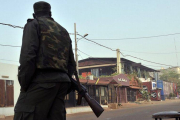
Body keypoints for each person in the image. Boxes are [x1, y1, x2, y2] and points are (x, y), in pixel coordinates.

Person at [14, 1, 76, 120]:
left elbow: (28, 57)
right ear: (50, 13)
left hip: (41, 81)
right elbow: (71, 63)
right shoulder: (63, 31)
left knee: (24, 114)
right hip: (62, 82)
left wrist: (24, 84)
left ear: (34, 14)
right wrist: (64, 82)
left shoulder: (34, 24)